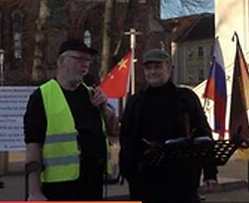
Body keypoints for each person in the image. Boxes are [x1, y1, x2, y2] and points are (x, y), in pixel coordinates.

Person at [23, 38, 118, 201]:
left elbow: (113, 131)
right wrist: (34, 192)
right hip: (60, 187)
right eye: (79, 59)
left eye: (88, 60)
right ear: (61, 61)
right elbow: (33, 146)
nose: (85, 64)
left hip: (93, 182)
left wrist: (104, 108)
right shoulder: (42, 97)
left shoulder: (92, 94)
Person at [119, 49, 218, 203]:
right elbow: (126, 138)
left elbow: (203, 133)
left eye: (157, 67)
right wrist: (128, 172)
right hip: (146, 180)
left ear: (169, 68)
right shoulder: (136, 101)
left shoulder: (186, 97)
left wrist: (210, 172)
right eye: (148, 68)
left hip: (182, 179)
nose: (152, 72)